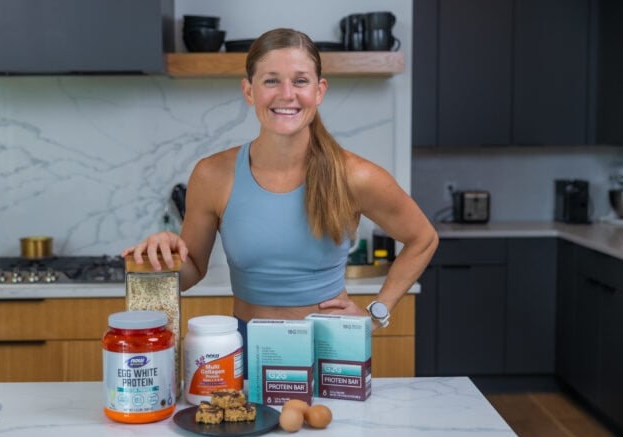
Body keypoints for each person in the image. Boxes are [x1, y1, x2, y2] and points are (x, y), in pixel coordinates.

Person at [122, 28, 438, 345]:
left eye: (300, 81)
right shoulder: (212, 175)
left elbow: (422, 239)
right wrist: (163, 257)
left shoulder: (355, 175)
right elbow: (192, 273)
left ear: (319, 91)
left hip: (330, 346)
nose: (287, 94)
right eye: (271, 80)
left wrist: (377, 313)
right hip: (245, 345)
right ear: (249, 91)